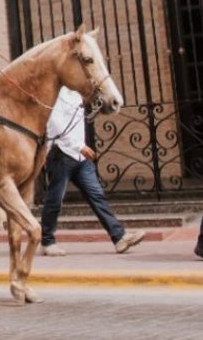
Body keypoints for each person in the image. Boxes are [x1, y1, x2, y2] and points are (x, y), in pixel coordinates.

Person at [39, 86, 145, 256]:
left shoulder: (77, 94)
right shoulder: (56, 94)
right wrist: (79, 146)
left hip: (81, 158)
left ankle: (119, 238)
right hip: (61, 155)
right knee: (55, 200)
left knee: (97, 196)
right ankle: (47, 241)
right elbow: (56, 125)